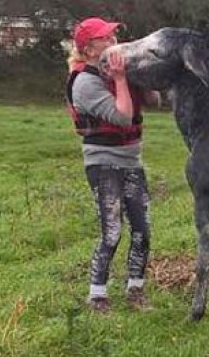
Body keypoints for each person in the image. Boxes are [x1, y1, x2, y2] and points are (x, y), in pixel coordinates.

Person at [66, 17, 158, 312]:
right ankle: (97, 295)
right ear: (90, 49)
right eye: (105, 38)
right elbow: (122, 117)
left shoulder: (121, 70)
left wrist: (139, 75)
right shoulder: (84, 82)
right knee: (112, 231)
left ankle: (136, 290)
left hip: (131, 159)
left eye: (113, 35)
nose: (114, 41)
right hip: (103, 162)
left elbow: (155, 100)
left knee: (143, 230)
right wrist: (120, 80)